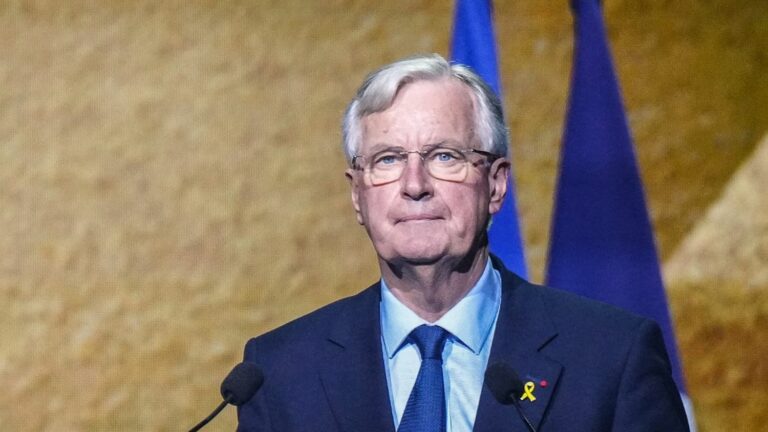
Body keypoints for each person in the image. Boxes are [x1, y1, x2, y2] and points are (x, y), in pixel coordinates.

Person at [237, 54, 690, 432]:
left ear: (495, 185)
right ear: (358, 194)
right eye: (388, 159)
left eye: (445, 156)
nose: (415, 185)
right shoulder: (277, 372)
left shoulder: (612, 357)